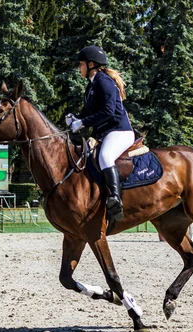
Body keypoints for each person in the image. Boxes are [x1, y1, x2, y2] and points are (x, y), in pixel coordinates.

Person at [66, 45, 134, 224]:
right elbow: (87, 112)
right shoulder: (92, 86)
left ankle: (114, 199)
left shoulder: (103, 81)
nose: (79, 68)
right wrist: (75, 118)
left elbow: (109, 111)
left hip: (120, 131)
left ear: (91, 64)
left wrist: (83, 122)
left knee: (105, 156)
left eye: (81, 64)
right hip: (106, 133)